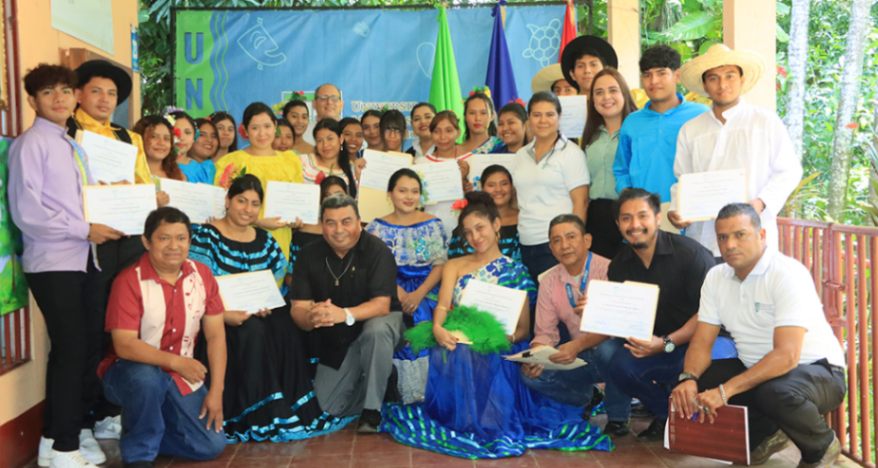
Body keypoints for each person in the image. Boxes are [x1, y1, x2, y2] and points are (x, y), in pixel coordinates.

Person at [381, 192, 612, 459]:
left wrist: (503, 336)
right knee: (455, 348)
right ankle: (462, 418)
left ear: (496, 225)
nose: (475, 237)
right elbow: (443, 306)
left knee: (479, 352)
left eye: (480, 228)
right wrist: (437, 328)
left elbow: (524, 329)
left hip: (502, 342)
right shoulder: (454, 265)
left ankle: (489, 419)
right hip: (455, 334)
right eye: (468, 232)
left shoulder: (515, 270)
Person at [671, 203, 846, 467]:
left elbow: (787, 356)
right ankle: (768, 434)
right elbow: (702, 342)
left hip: (818, 371)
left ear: (761, 235)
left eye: (739, 234)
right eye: (722, 237)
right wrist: (689, 378)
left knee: (774, 392)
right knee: (701, 379)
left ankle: (821, 447)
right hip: (760, 370)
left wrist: (725, 391)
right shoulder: (716, 277)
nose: (729, 244)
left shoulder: (786, 273)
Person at [9, 64, 119, 468]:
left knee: (85, 347)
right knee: (72, 350)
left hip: (82, 258)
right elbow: (28, 213)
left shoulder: (71, 143)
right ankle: (62, 447)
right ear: (33, 100)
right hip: (53, 260)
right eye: (47, 93)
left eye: (64, 91)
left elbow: (80, 199)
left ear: (74, 96)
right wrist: (84, 227)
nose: (58, 99)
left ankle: (60, 437)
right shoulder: (31, 144)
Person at [188, 175, 352, 442]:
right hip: (219, 317)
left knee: (284, 324)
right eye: (241, 200)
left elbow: (271, 286)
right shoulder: (207, 236)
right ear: (228, 201)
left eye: (254, 203)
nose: (247, 209)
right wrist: (227, 314)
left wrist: (266, 304)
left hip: (256, 311)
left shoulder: (264, 239)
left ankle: (287, 406)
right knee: (253, 331)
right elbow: (198, 286)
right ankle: (256, 411)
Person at [99, 207, 227, 466]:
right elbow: (124, 345)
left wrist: (216, 391)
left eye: (181, 238)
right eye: (164, 238)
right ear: (146, 241)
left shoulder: (202, 275)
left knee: (210, 445)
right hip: (128, 372)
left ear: (190, 241)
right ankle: (139, 455)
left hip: (179, 374)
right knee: (147, 379)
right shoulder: (129, 281)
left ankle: (148, 429)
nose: (174, 246)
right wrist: (176, 362)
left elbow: (216, 337)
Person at [70, 59, 153, 443]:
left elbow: (143, 185)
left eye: (112, 94)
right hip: (88, 244)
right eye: (97, 91)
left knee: (125, 326)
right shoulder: (67, 133)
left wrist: (152, 196)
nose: (105, 100)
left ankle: (109, 410)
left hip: (129, 242)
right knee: (87, 332)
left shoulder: (127, 138)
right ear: (79, 94)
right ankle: (82, 419)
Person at [604, 188, 716, 440]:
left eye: (642, 216)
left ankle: (683, 413)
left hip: (696, 344)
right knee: (617, 362)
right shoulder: (619, 265)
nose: (635, 225)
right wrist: (599, 308)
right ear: (618, 225)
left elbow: (710, 313)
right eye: (626, 218)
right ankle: (667, 413)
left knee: (702, 363)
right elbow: (622, 318)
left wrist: (665, 343)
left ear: (657, 218)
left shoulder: (691, 255)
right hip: (654, 345)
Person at [670, 45, 802, 256]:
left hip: (754, 238)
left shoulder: (765, 122)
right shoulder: (691, 129)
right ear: (705, 84)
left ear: (741, 79)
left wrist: (760, 203)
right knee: (708, 288)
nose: (722, 84)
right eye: (713, 78)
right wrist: (677, 211)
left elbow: (789, 171)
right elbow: (682, 179)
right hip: (704, 241)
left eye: (730, 76)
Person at [290, 195, 404, 433]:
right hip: (339, 337)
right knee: (329, 406)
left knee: (376, 330)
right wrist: (311, 318)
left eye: (346, 221)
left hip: (379, 325)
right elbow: (298, 308)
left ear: (359, 223)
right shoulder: (308, 254)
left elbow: (382, 305)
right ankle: (384, 383)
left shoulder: (377, 249)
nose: (338, 230)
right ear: (322, 225)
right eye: (330, 223)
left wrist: (343, 313)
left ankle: (371, 411)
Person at [519, 215, 631, 436]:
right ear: (550, 248)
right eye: (557, 240)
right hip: (578, 355)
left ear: (587, 240)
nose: (564, 245)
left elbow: (618, 326)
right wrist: (536, 355)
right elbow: (545, 332)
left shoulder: (610, 270)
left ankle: (618, 416)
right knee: (531, 375)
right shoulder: (549, 281)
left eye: (571, 237)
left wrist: (577, 345)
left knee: (609, 351)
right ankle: (588, 396)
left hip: (610, 349)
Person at [365, 169, 447, 403]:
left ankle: (430, 391)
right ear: (390, 193)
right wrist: (398, 292)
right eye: (402, 190)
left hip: (427, 289)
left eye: (414, 191)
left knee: (427, 321)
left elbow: (440, 265)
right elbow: (373, 269)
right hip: (390, 289)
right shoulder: (376, 228)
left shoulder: (433, 224)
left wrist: (419, 294)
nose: (409, 197)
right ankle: (401, 392)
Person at [613, 45, 709, 204]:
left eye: (661, 73)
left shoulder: (700, 115)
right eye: (647, 75)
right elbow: (621, 169)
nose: (653, 81)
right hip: (645, 216)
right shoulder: (632, 122)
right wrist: (628, 196)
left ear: (677, 76)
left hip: (690, 212)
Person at [513, 91, 589, 283]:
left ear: (559, 117)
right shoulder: (521, 155)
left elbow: (580, 202)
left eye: (549, 114)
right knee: (533, 304)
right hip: (525, 242)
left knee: (560, 303)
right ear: (528, 118)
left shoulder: (571, 154)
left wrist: (573, 242)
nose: (543, 120)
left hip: (557, 244)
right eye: (537, 115)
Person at [213, 101, 304, 261]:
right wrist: (257, 221)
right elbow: (221, 206)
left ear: (275, 126)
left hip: (280, 239)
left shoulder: (291, 160)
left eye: (267, 126)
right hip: (239, 238)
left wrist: (297, 218)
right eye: (255, 128)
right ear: (245, 130)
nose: (262, 134)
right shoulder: (231, 162)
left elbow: (298, 201)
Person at [580, 68, 638, 259]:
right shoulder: (590, 136)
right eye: (599, 92)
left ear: (624, 93)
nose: (606, 97)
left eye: (613, 90)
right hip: (596, 217)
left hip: (629, 213)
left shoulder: (637, 131)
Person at [448, 164, 521, 261]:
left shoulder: (524, 218)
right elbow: (454, 260)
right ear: (482, 188)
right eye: (491, 185)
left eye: (504, 184)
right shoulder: (470, 221)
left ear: (512, 187)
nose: (498, 189)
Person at [288, 176, 350, 289]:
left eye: (339, 195)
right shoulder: (303, 231)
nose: (333, 200)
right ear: (321, 200)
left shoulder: (355, 233)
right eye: (327, 196)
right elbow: (291, 276)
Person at [419, 111, 472, 237]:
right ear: (431, 134)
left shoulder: (470, 161)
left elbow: (480, 199)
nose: (443, 137)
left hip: (464, 228)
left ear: (458, 132)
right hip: (430, 227)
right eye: (437, 131)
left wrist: (465, 182)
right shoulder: (421, 163)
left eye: (449, 130)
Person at [301, 118, 358, 198]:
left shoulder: (353, 170)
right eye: (320, 141)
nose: (325, 145)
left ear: (341, 139)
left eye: (330, 139)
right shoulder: (303, 162)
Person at [133, 115, 185, 183]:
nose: (161, 143)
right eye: (154, 137)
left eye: (166, 139)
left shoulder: (178, 176)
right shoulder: (128, 174)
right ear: (140, 139)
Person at [181, 117, 218, 184]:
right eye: (202, 135)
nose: (209, 140)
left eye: (213, 136)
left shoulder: (212, 168)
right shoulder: (174, 166)